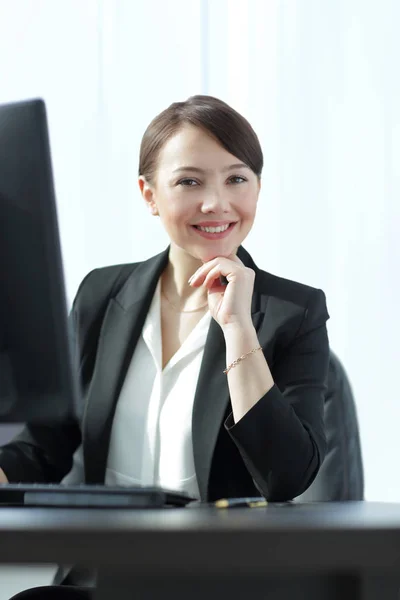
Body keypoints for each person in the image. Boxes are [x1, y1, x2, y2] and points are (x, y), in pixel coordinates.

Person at [1, 95, 330, 599]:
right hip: (100, 581)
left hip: (218, 584)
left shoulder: (293, 313)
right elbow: (47, 442)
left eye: (236, 179)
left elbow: (285, 477)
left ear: (258, 188)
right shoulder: (101, 295)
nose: (216, 203)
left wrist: (238, 326)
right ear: (149, 194)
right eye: (189, 181)